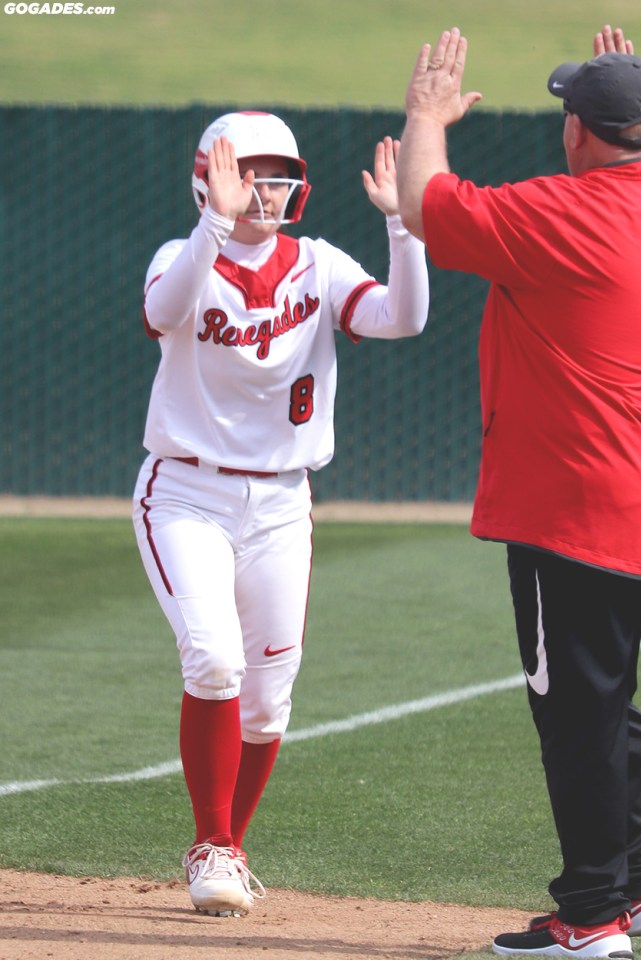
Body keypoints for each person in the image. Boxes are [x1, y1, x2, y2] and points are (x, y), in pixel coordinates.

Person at [397, 24, 641, 960]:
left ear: (581, 133)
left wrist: (426, 113)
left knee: (576, 718)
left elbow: (426, 204)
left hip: (575, 513)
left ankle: (590, 919)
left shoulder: (565, 215)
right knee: (605, 695)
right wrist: (636, 98)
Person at [133, 111, 429, 917]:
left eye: (277, 172)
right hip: (187, 492)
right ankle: (209, 845)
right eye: (249, 171)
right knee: (214, 661)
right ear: (209, 176)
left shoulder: (320, 264)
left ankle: (230, 845)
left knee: (268, 701)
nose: (267, 188)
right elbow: (166, 311)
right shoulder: (181, 256)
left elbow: (403, 318)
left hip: (281, 500)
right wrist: (211, 225)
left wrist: (404, 227)